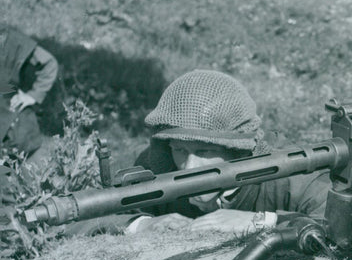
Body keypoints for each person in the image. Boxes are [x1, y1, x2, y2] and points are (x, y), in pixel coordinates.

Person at [75, 69, 332, 235]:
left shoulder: (292, 174)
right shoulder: (158, 167)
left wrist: (259, 221)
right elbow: (88, 219)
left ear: (239, 152)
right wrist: (143, 224)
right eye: (179, 150)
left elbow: (349, 229)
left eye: (205, 150)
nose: (188, 166)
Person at [1, 24, 59, 158]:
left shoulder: (11, 40)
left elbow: (49, 64)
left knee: (29, 173)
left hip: (15, 129)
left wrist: (33, 95)